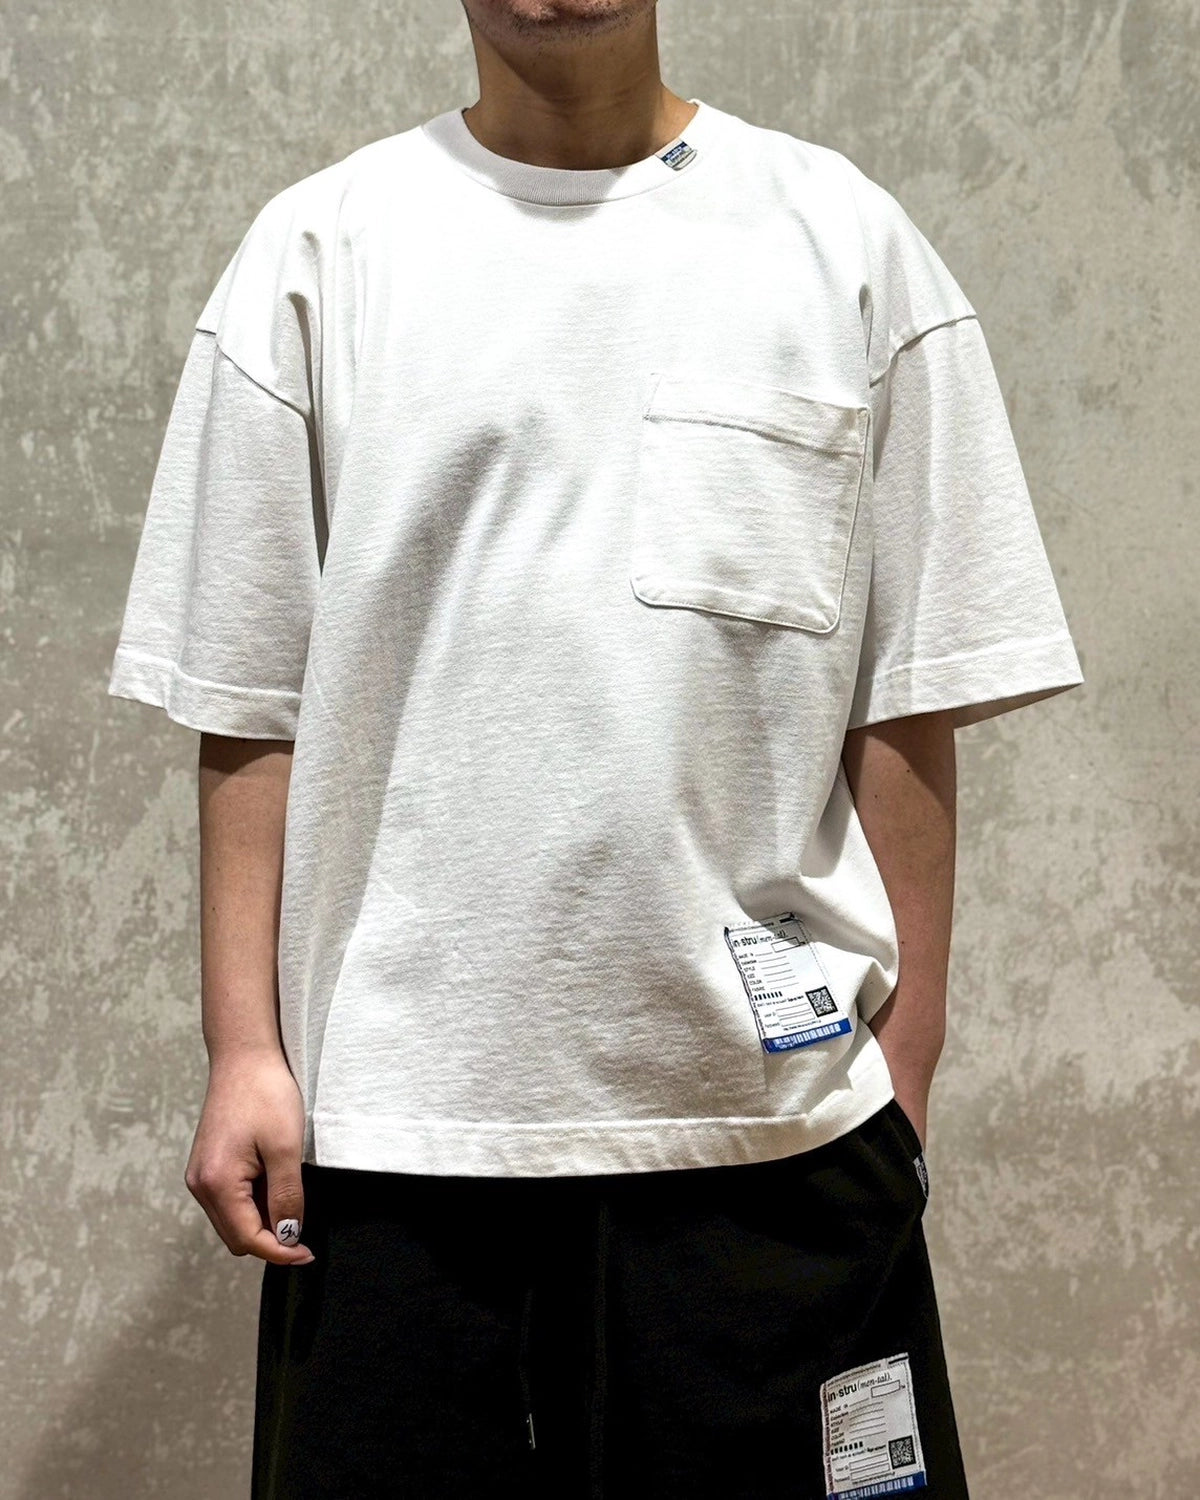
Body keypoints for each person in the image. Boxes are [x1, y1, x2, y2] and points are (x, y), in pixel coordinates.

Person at [106, 3, 1084, 1496]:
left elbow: (909, 690)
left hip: (772, 1138)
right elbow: (251, 703)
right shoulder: (319, 257)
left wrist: (912, 1058)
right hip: (400, 1142)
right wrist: (244, 1047)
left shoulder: (842, 244)